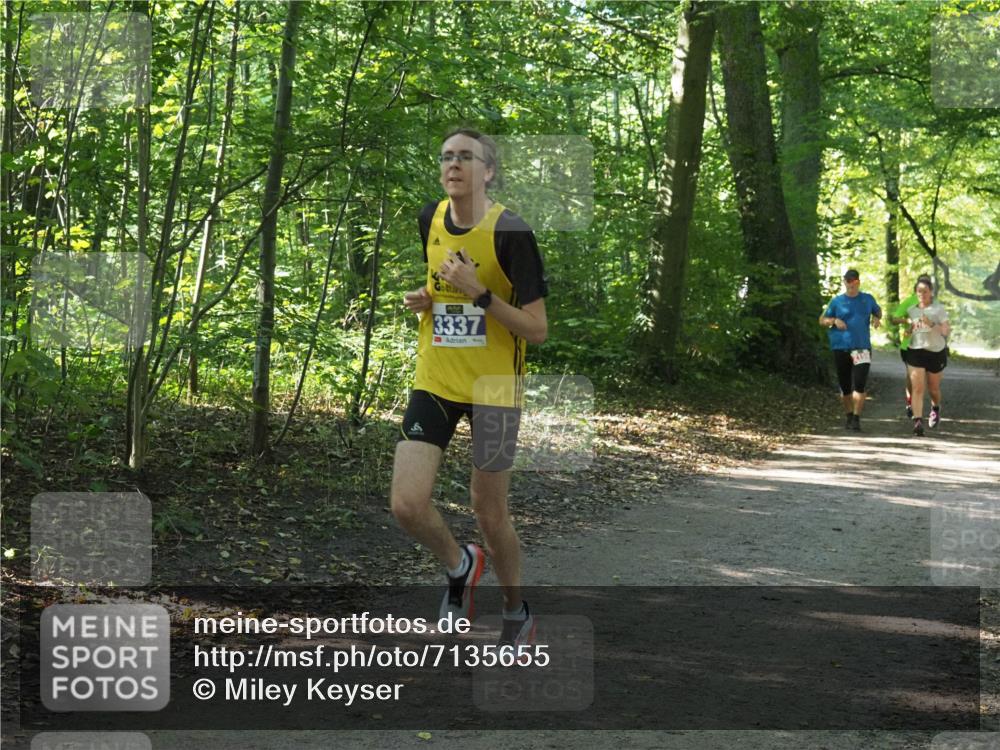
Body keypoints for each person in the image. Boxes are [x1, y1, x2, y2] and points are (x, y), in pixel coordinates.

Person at [391, 128, 548, 647]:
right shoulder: (429, 219)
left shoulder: (512, 232)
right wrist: (428, 298)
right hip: (435, 378)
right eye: (446, 157)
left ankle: (515, 607)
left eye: (465, 157)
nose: (453, 165)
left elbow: (536, 330)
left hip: (496, 388)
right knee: (407, 505)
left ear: (489, 172)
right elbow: (441, 286)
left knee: (489, 511)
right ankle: (460, 565)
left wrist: (479, 294)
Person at [818, 269, 882, 431]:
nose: (850, 284)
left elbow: (878, 310)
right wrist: (834, 320)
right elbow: (822, 320)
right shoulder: (837, 302)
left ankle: (856, 418)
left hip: (861, 348)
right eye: (848, 281)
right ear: (844, 282)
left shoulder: (867, 299)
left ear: (858, 282)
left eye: (853, 281)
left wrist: (876, 317)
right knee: (845, 386)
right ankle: (848, 415)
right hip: (841, 347)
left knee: (860, 384)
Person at [900, 278, 950, 436]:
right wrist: (908, 331)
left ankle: (935, 407)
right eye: (919, 291)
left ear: (931, 293)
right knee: (918, 388)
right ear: (916, 293)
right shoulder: (912, 310)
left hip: (936, 352)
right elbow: (911, 328)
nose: (922, 294)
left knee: (933, 388)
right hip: (916, 351)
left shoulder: (938, 309)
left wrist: (932, 324)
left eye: (925, 291)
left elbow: (945, 331)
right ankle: (918, 422)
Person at [890, 274, 933, 419]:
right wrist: (906, 319)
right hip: (909, 345)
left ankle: (917, 401)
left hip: (929, 346)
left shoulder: (935, 302)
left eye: (927, 285)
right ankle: (910, 402)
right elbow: (894, 319)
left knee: (925, 378)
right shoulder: (909, 301)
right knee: (911, 376)